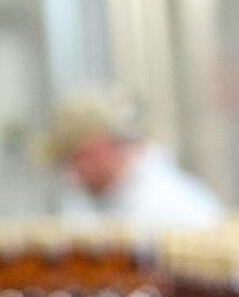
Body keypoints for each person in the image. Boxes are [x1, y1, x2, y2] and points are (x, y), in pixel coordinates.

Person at [43, 87, 224, 225]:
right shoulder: (109, 201)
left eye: (76, 157)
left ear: (102, 144)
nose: (71, 175)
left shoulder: (167, 206)